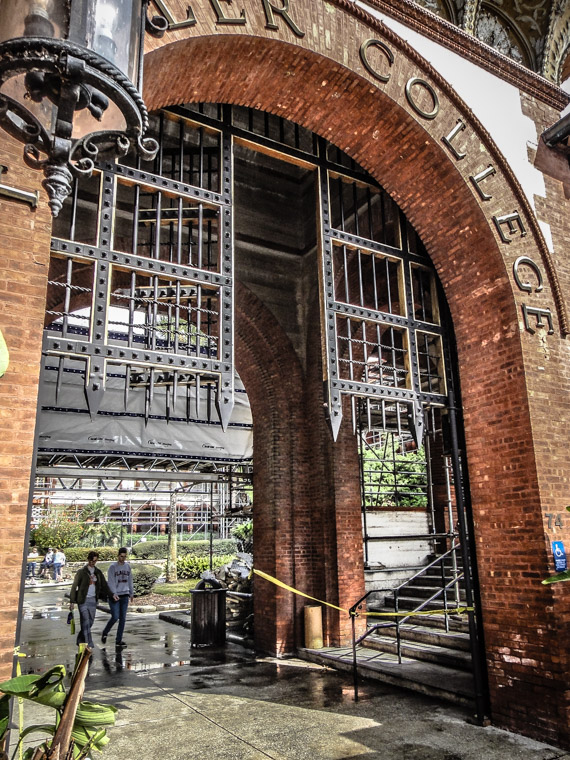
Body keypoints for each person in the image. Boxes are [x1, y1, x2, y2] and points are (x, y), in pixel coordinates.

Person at [69, 551, 109, 649]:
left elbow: (104, 585)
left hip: (93, 600)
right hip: (82, 600)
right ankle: (88, 644)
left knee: (90, 622)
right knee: (85, 621)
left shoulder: (98, 572)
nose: (92, 563)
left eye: (95, 561)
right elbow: (74, 586)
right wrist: (72, 601)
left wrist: (112, 595)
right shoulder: (81, 572)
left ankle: (80, 640)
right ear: (88, 560)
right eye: (91, 560)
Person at [101, 547, 133, 648]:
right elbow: (110, 581)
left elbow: (130, 580)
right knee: (115, 616)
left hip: (125, 594)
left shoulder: (127, 567)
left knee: (122, 619)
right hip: (115, 595)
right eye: (121, 556)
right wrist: (114, 593)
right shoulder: (112, 567)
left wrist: (131, 593)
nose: (122, 559)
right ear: (118, 556)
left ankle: (118, 640)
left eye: (124, 557)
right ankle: (105, 632)